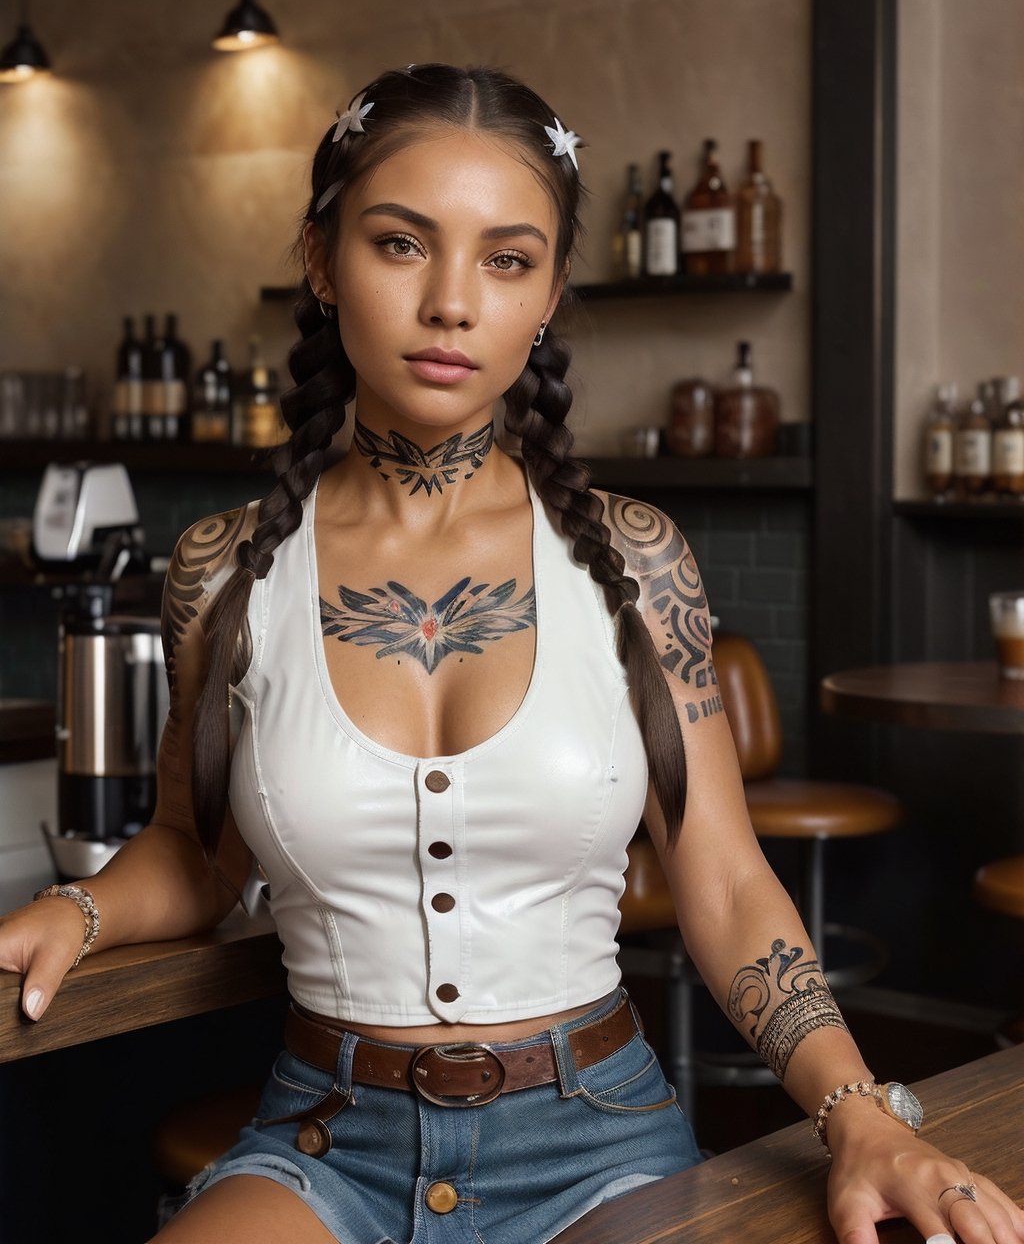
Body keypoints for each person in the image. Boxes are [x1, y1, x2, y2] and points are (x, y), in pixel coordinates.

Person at [1, 64, 1021, 1244]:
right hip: (324, 1143)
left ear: (546, 297)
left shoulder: (635, 562)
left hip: (596, 1142)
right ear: (322, 261)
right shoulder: (222, 572)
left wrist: (859, 1110)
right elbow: (196, 855)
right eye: (400, 245)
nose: (451, 302)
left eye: (506, 258)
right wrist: (78, 910)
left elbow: (727, 882)